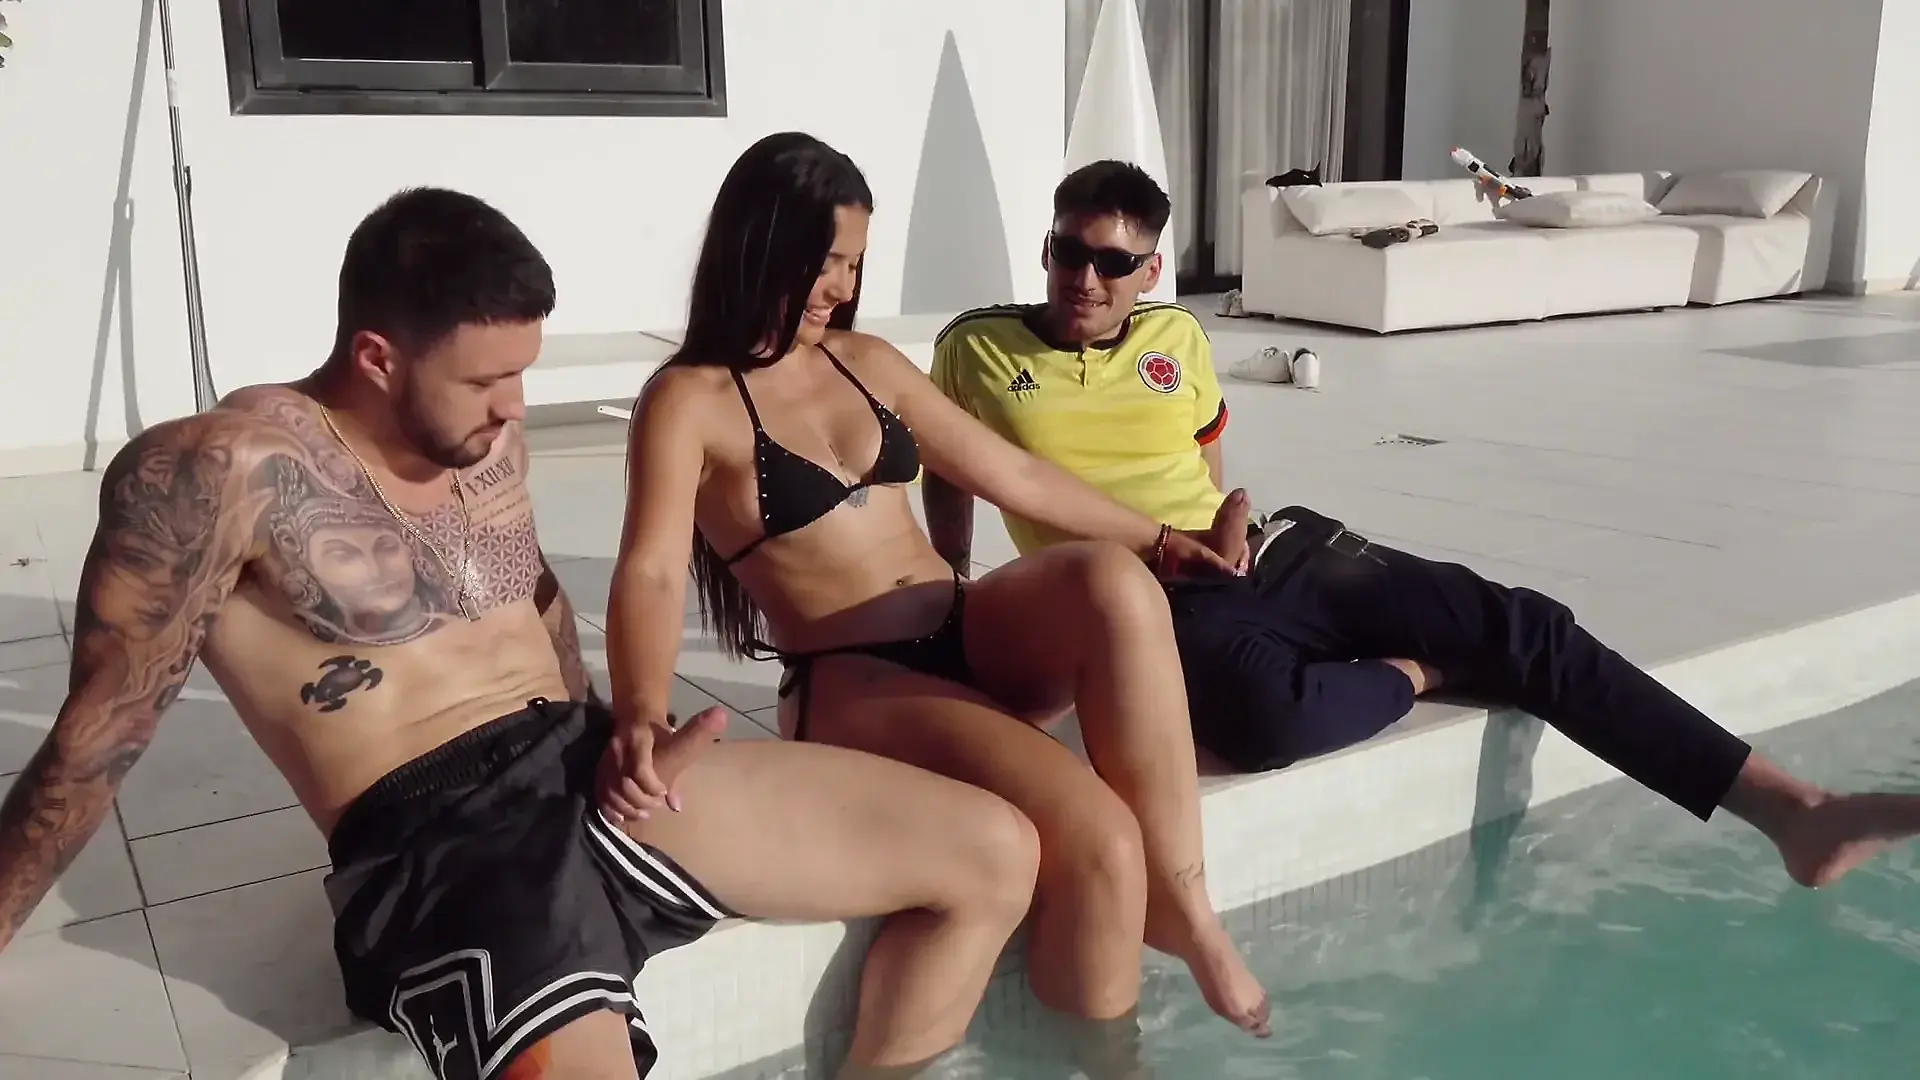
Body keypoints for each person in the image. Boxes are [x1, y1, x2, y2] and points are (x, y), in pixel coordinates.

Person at [0, 187, 1047, 1080]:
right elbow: (97, 736)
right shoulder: (215, 474)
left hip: (581, 763)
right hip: (441, 839)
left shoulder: (486, 439)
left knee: (995, 854)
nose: (514, 407)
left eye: (521, 373)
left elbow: (536, 601)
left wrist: (628, 733)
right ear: (376, 357)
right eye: (484, 380)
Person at [924, 159, 1920, 891]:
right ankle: (1419, 670)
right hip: (1145, 601)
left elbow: (1208, 464)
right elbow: (954, 472)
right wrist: (952, 582)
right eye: (1069, 251)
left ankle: (1793, 810)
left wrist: (1227, 520)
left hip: (1276, 552)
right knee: (1268, 723)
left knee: (1525, 626)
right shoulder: (976, 347)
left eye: (1113, 261)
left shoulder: (1178, 334)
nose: (1085, 278)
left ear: (1149, 271)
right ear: (1046, 248)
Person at [607, 131, 1274, 1046]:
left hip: (965, 627)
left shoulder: (864, 360)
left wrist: (1165, 541)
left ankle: (1187, 908)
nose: (842, 286)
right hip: (858, 676)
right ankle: (1104, 1063)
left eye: (854, 263)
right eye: (826, 262)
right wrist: (641, 713)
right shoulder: (689, 401)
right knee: (1100, 842)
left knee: (1116, 579)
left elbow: (1016, 477)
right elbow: (648, 570)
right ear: (761, 248)